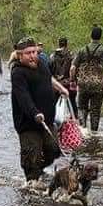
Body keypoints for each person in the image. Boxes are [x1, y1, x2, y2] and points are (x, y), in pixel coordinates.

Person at [10, 37, 69, 183]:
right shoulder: (18, 72)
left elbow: (49, 78)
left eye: (34, 52)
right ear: (19, 55)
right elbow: (23, 97)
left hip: (47, 121)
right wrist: (34, 112)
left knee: (54, 150)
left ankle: (39, 173)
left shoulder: (42, 63)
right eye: (28, 53)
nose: (32, 56)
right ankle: (31, 185)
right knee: (32, 157)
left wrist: (61, 88)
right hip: (28, 124)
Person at [71, 26, 103, 132]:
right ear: (100, 37)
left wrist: (73, 81)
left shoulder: (82, 50)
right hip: (98, 85)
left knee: (82, 108)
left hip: (83, 84)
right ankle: (94, 133)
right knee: (95, 111)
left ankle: (82, 131)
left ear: (90, 36)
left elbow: (73, 68)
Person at [50, 37, 77, 116]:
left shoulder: (53, 56)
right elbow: (74, 69)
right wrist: (74, 81)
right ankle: (75, 121)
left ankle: (52, 120)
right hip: (69, 82)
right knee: (72, 103)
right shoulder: (72, 55)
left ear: (59, 44)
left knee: (53, 103)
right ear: (66, 44)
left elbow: (50, 70)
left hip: (57, 84)